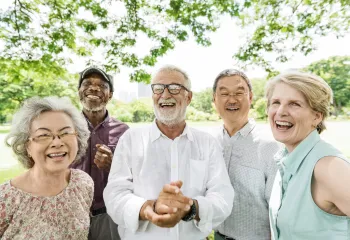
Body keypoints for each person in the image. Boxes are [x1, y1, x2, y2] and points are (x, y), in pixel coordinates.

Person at [103, 65, 234, 240]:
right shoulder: (130, 140)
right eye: (158, 88)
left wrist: (191, 208)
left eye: (174, 88)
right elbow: (115, 195)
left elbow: (223, 197)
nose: (165, 95)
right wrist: (148, 209)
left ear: (188, 97)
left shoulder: (207, 143)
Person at [266, 71, 350, 240]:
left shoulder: (329, 167)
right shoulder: (285, 160)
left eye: (294, 104)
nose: (281, 111)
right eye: (276, 102)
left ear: (317, 116)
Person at [0, 96, 93, 239]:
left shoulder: (83, 183)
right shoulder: (6, 198)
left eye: (65, 132)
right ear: (27, 146)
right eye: (43, 135)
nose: (57, 142)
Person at [211, 69, 280, 240]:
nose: (232, 99)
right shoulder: (209, 142)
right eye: (224, 93)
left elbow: (278, 210)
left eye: (239, 93)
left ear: (250, 97)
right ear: (214, 100)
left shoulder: (271, 146)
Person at [72, 66, 129, 240]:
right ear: (79, 91)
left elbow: (135, 176)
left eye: (102, 85)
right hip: (71, 212)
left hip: (108, 214)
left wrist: (114, 165)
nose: (94, 88)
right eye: (87, 83)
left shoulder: (124, 131)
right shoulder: (65, 127)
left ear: (110, 94)